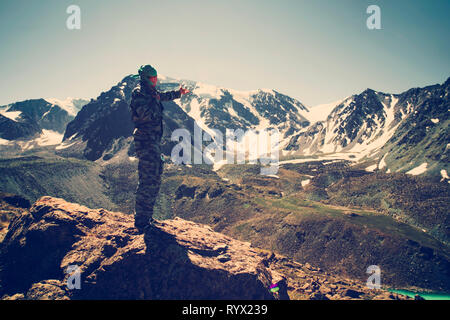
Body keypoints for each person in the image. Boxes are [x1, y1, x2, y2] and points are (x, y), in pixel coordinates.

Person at [129, 64, 190, 233]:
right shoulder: (139, 93)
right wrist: (156, 107)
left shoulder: (150, 93)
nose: (155, 80)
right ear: (144, 79)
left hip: (152, 141)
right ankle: (142, 220)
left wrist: (178, 93)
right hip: (146, 140)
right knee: (149, 179)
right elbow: (143, 113)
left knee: (154, 177)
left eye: (156, 77)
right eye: (152, 78)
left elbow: (161, 97)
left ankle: (145, 217)